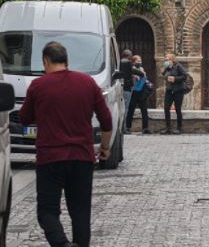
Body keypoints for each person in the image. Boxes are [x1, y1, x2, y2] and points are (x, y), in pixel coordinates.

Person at [19, 41, 112, 247]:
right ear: (67, 60)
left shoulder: (38, 85)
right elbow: (106, 120)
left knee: (47, 211)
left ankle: (61, 244)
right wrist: (104, 148)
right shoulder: (87, 83)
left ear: (46, 61)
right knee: (80, 212)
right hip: (81, 157)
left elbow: (24, 118)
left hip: (50, 159)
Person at [161, 53, 187, 135]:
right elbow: (163, 75)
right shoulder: (167, 68)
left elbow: (184, 76)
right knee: (166, 108)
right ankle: (168, 128)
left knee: (178, 109)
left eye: (168, 59)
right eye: (165, 59)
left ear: (172, 60)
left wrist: (175, 79)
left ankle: (179, 128)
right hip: (169, 90)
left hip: (178, 90)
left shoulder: (178, 66)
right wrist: (165, 70)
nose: (166, 61)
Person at [125, 55, 151, 135]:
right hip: (133, 92)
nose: (139, 63)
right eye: (138, 61)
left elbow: (144, 78)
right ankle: (127, 127)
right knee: (130, 110)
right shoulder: (131, 70)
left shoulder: (141, 69)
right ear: (133, 62)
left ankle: (145, 128)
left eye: (140, 61)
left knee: (144, 110)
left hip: (142, 92)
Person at [119, 49, 133, 134]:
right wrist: (141, 73)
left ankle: (121, 128)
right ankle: (123, 128)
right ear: (128, 56)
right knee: (125, 108)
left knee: (120, 108)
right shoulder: (128, 63)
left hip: (120, 86)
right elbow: (131, 72)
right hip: (127, 88)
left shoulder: (119, 63)